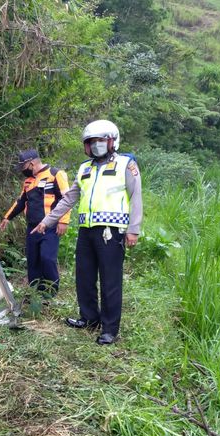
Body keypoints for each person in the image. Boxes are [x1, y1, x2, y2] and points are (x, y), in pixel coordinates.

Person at [31, 120, 142, 345]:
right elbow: (69, 199)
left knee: (110, 280)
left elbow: (136, 197)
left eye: (100, 141)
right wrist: (47, 221)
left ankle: (109, 329)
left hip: (111, 232)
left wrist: (134, 229)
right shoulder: (85, 168)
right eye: (91, 142)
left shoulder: (125, 164)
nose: (96, 145)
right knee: (84, 276)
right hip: (86, 231)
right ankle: (89, 318)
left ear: (111, 141)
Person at [0, 149, 71, 297]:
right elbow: (21, 201)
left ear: (31, 163)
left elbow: (67, 198)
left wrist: (63, 221)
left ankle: (50, 292)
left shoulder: (55, 174)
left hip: (50, 226)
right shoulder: (28, 181)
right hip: (32, 228)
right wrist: (8, 217)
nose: (22, 171)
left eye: (23, 168)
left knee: (47, 258)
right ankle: (35, 293)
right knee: (33, 260)